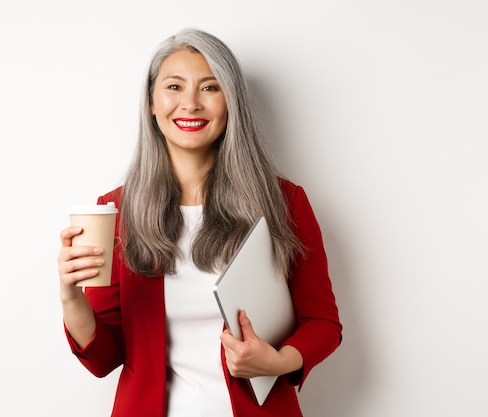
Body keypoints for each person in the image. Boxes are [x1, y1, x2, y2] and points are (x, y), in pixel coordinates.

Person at [57, 28, 342, 417]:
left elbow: (322, 322)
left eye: (210, 88)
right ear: (151, 103)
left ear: (232, 103)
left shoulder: (283, 203)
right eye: (174, 86)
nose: (190, 104)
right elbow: (105, 358)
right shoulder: (117, 211)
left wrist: (277, 362)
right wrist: (71, 296)